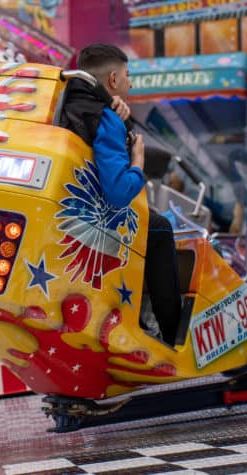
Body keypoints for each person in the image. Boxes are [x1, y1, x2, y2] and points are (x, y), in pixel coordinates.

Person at [60, 44, 183, 345]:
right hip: (97, 222)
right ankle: (174, 337)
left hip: (67, 214)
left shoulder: (66, 103)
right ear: (113, 80)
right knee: (160, 229)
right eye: (128, 76)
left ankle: (140, 320)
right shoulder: (107, 118)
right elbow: (118, 193)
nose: (131, 83)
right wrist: (137, 159)